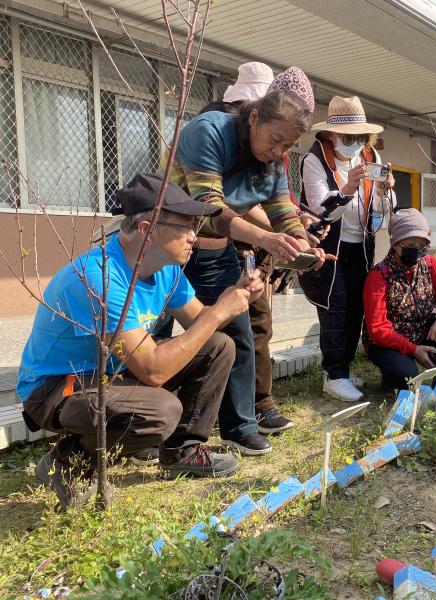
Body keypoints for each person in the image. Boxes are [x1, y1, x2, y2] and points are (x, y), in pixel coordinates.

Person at [18, 174, 263, 510]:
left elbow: (201, 322)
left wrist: (235, 294)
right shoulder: (100, 276)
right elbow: (153, 372)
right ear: (147, 228)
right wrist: (219, 313)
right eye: (187, 226)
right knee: (161, 411)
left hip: (110, 376)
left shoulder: (165, 268)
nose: (195, 236)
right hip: (57, 389)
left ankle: (183, 450)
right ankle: (69, 461)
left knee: (219, 346)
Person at [162, 67, 330, 455]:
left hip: (214, 252)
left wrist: (303, 245)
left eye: (288, 146)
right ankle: (142, 428)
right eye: (275, 141)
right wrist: (268, 239)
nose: (280, 152)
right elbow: (207, 208)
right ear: (253, 116)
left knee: (237, 334)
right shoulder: (207, 132)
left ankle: (239, 426)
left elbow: (284, 210)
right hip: (164, 249)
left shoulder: (275, 158)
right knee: (153, 334)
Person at [299, 96, 395, 402]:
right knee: (334, 307)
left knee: (356, 307)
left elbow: (381, 212)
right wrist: (347, 189)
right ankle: (334, 375)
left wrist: (384, 190)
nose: (353, 143)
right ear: (330, 134)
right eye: (347, 137)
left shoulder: (370, 157)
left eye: (359, 137)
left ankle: (344, 369)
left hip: (361, 249)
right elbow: (320, 209)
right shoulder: (314, 160)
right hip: (327, 247)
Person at [362, 209, 436, 392]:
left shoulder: (430, 264)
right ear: (396, 243)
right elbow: (378, 330)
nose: (416, 250)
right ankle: (392, 374)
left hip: (421, 331)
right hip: (388, 343)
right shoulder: (378, 276)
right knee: (408, 376)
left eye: (422, 244)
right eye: (410, 244)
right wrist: (414, 350)